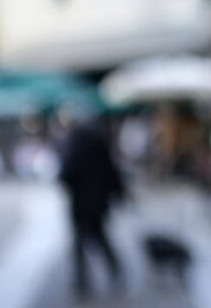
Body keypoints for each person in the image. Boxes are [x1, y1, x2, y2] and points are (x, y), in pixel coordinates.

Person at [58, 118, 126, 298]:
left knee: (81, 243)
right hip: (98, 202)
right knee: (99, 238)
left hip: (81, 203)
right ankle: (114, 270)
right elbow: (112, 172)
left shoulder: (76, 144)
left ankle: (82, 281)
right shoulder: (99, 143)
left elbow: (66, 174)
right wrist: (119, 194)